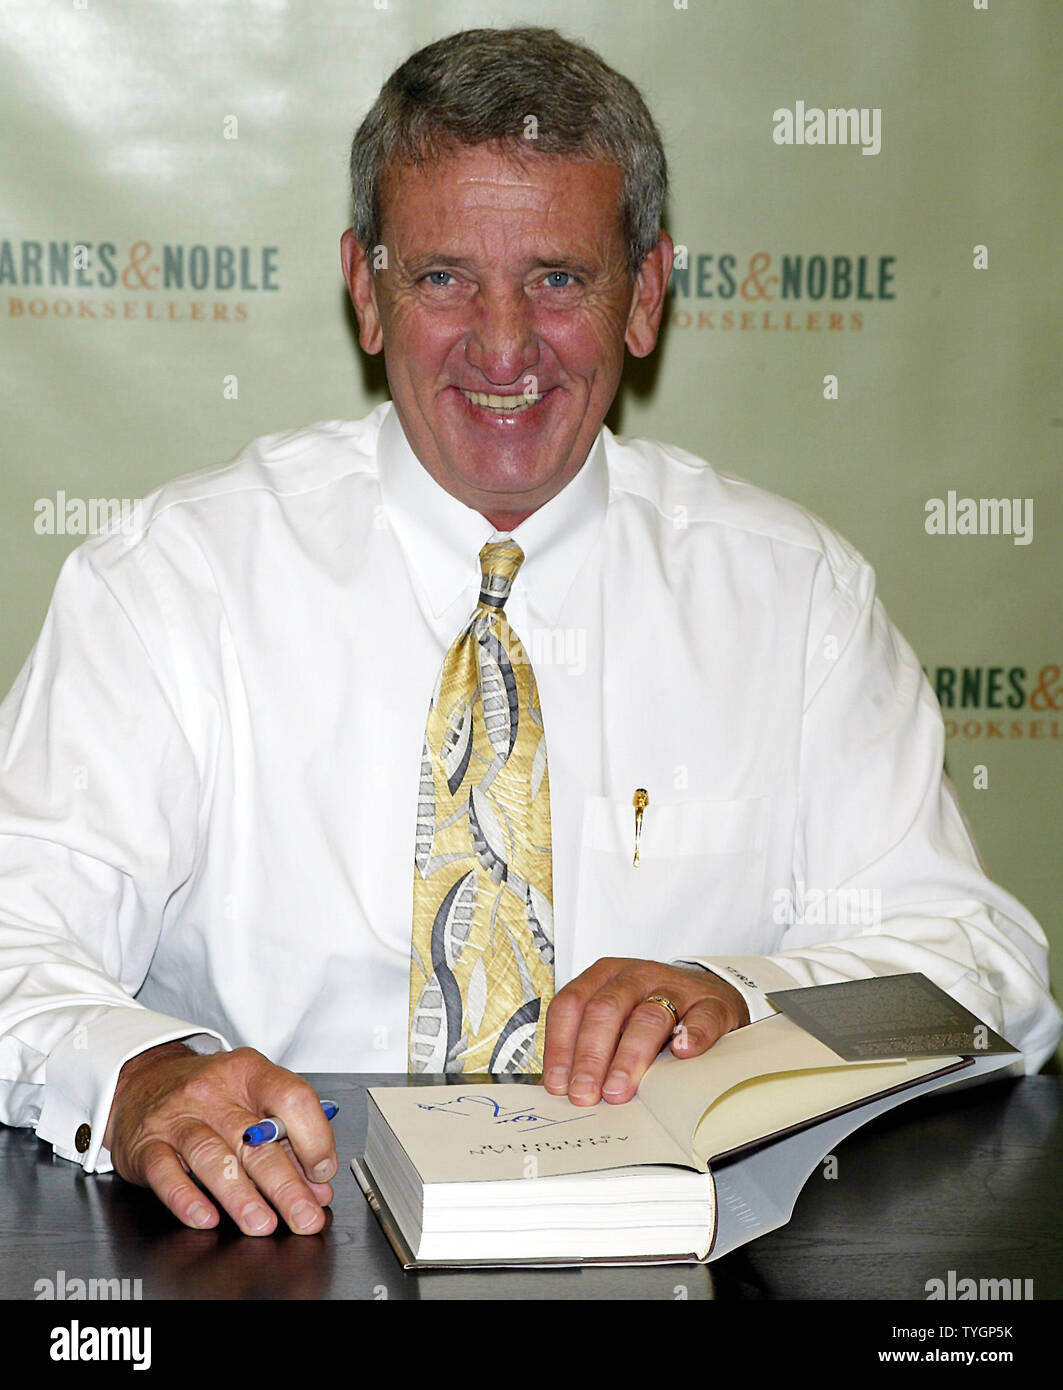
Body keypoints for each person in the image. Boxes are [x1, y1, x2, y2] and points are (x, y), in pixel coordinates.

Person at [0, 26, 1058, 1242]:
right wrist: (135, 1079)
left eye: (558, 277)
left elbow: (988, 983)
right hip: (268, 1240)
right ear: (366, 289)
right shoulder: (174, 582)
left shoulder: (793, 596)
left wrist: (742, 995)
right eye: (444, 276)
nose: (503, 347)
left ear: (645, 296)